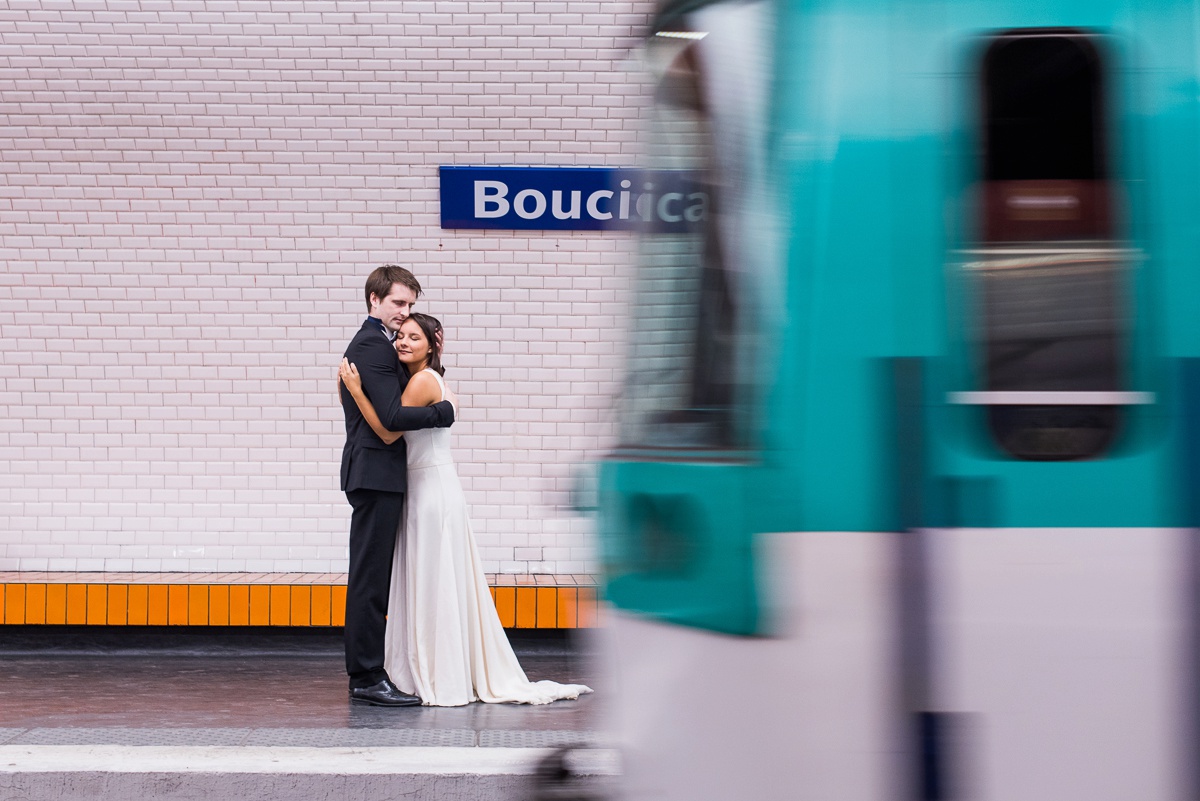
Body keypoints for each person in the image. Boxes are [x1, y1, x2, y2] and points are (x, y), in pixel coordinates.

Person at [339, 313, 593, 706]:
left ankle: (438, 670)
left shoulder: (423, 381)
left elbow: (389, 430)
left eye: (413, 337)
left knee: (434, 577)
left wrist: (356, 391)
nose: (403, 343)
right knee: (436, 577)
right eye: (400, 336)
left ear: (433, 344)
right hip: (431, 486)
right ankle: (440, 665)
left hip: (429, 490)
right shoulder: (425, 380)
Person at [340, 266, 456, 707]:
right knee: (370, 578)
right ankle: (366, 676)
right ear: (374, 299)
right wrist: (442, 413)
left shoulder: (380, 343)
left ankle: (373, 669)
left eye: (409, 304)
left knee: (376, 576)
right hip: (375, 474)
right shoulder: (371, 344)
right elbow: (390, 419)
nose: (404, 312)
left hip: (380, 475)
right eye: (398, 304)